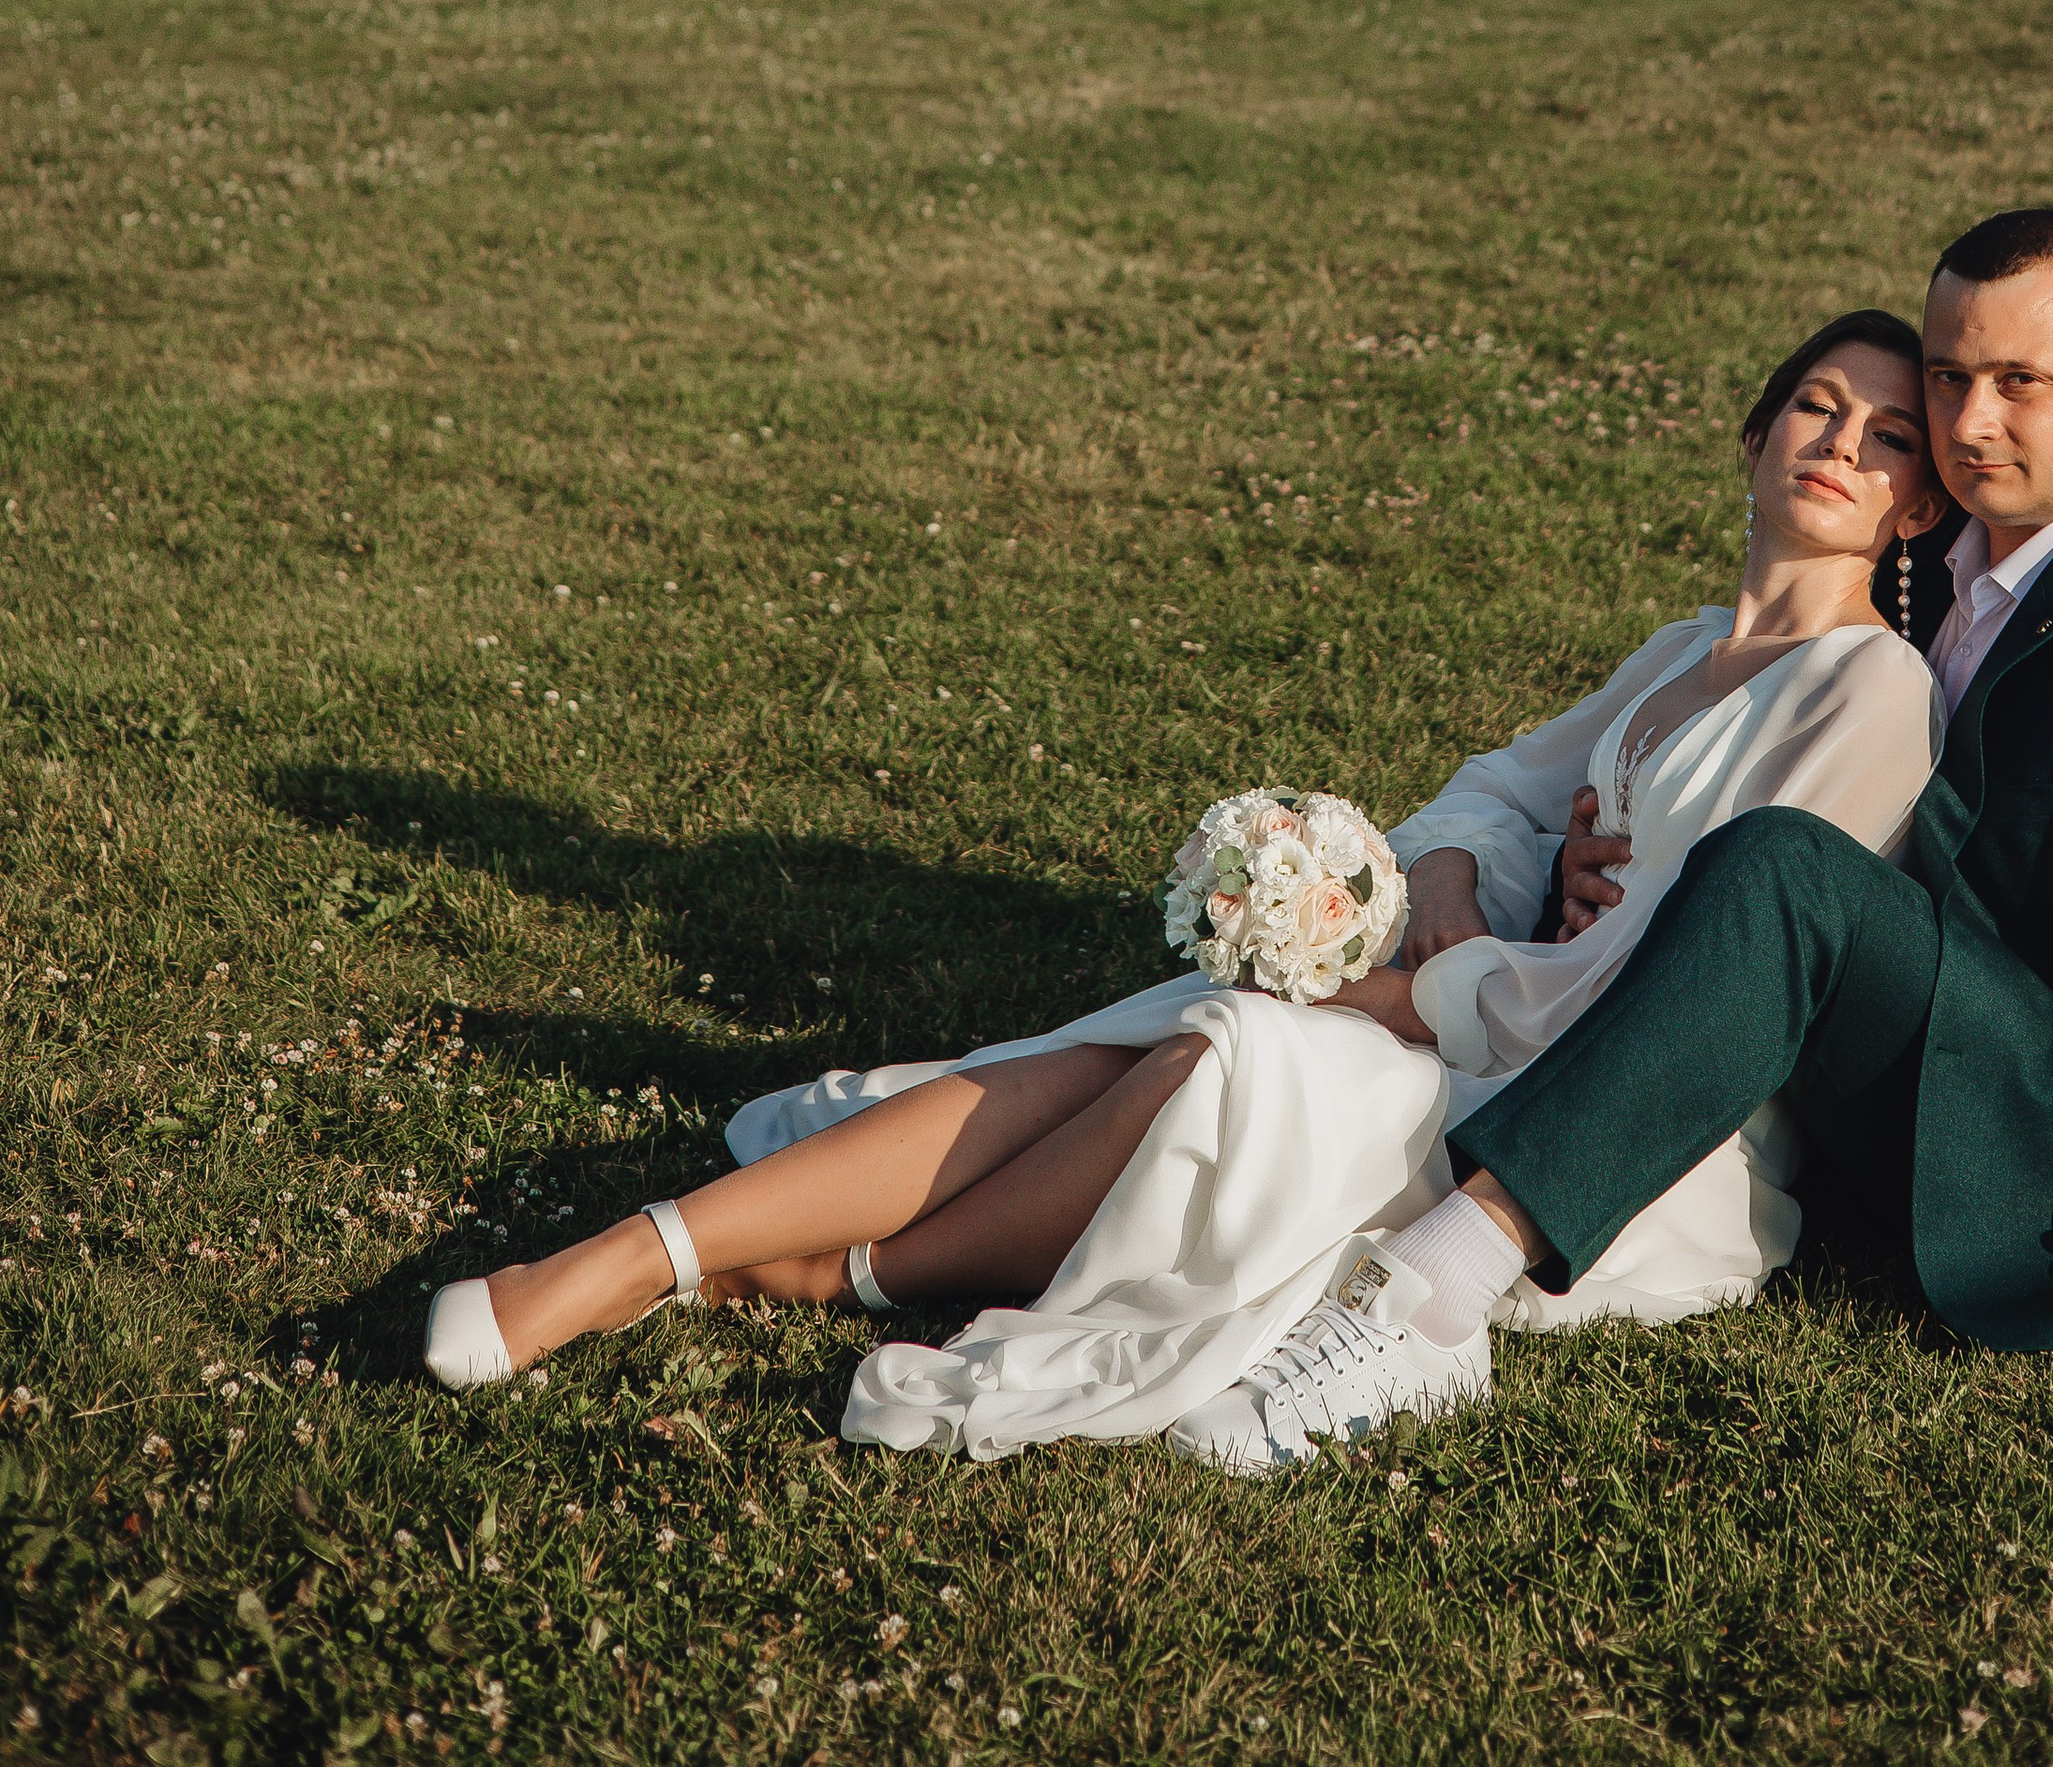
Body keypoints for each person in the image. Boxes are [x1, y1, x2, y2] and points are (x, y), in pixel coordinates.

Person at [420, 310, 1950, 1452]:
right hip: (1490, 1014)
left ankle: (840, 1273)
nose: (1839, 447)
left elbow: (1708, 969)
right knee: (1135, 1042)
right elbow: (1495, 792)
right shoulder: (1689, 649)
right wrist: (1452, 889)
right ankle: (643, 1249)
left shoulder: (1867, 691)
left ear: (1917, 509)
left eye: (1886, 438)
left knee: (1238, 1060)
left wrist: (1430, 989)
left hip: (1623, 1135)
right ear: (1751, 436)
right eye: (1814, 409)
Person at [1230, 206, 2053, 1467]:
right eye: (1948, 377)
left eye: (2020, 384)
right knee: (1770, 872)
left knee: (1780, 868)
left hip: (2038, 1145)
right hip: (1850, 1056)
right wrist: (1577, 862)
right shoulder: (1930, 559)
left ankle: (1435, 1295)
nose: (1969, 426)